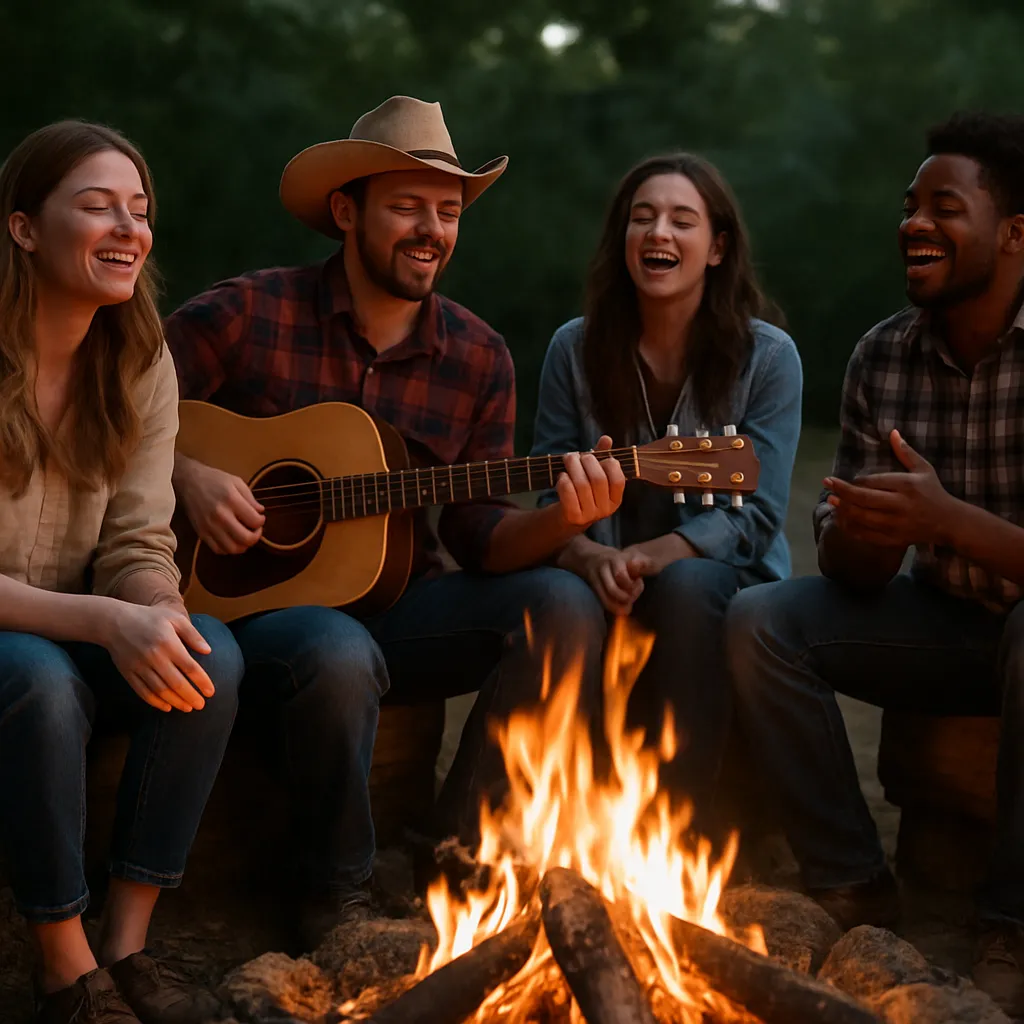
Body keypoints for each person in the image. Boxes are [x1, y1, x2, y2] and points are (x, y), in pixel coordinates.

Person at [165, 96, 618, 949]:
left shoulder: (478, 355)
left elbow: (481, 531)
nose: (432, 230)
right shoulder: (246, 312)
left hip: (402, 608)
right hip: (245, 617)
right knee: (338, 650)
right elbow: (108, 405)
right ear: (347, 211)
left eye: (448, 213)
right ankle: (336, 898)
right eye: (408, 206)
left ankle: (459, 859)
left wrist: (562, 521)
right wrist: (185, 474)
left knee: (562, 607)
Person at [726, 112, 1024, 1015]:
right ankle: (854, 883)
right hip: (938, 626)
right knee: (761, 621)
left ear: (1014, 234)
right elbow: (852, 571)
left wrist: (949, 519)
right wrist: (869, 533)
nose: (915, 223)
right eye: (909, 206)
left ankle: (1011, 925)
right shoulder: (882, 355)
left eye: (945, 206)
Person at [0, 121, 243, 1024]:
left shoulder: (141, 359)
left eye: (139, 212)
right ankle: (63, 968)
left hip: (78, 628)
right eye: (97, 206)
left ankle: (125, 945)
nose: (128, 229)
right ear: (24, 227)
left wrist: (155, 613)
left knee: (206, 656)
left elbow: (141, 541)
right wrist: (106, 622)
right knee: (37, 680)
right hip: (17, 649)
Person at [530, 153, 802, 825]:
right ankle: (561, 817)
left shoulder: (768, 357)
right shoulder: (573, 349)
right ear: (622, 240)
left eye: (683, 220)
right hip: (603, 570)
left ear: (718, 247)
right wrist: (589, 556)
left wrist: (650, 557)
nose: (659, 234)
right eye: (642, 218)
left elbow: (756, 517)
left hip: (727, 580)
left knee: (688, 586)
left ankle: (684, 826)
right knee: (555, 596)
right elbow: (547, 496)